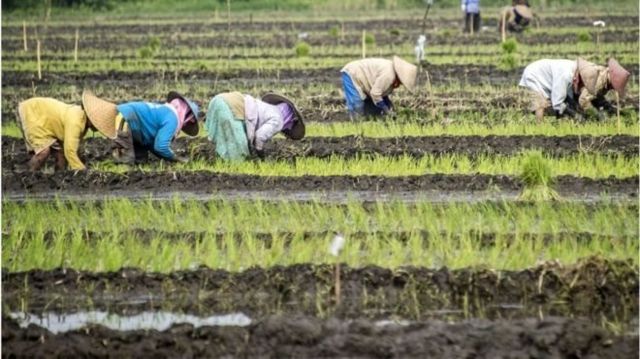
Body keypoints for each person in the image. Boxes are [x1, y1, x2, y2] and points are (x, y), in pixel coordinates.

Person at [82, 90, 200, 164]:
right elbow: (160, 146)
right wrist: (176, 158)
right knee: (126, 161)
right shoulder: (172, 119)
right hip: (127, 120)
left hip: (134, 127)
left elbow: (153, 145)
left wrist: (170, 159)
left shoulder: (165, 111)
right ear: (187, 116)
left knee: (141, 161)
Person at [518, 57, 630, 122]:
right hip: (535, 74)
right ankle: (539, 130)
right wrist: (576, 116)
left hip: (551, 76)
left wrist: (609, 110)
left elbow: (590, 96)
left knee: (571, 104)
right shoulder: (566, 76)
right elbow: (558, 102)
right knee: (541, 104)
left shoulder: (591, 71)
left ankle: (562, 122)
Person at [204, 92, 305, 161]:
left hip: (218, 100)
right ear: (292, 119)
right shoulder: (278, 120)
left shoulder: (269, 108)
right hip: (229, 107)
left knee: (225, 142)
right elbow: (259, 137)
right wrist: (260, 155)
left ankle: (219, 164)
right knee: (240, 154)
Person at [17, 97, 99, 171]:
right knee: (43, 152)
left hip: (47, 122)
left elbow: (73, 146)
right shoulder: (76, 122)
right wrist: (82, 170)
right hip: (34, 113)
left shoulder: (82, 120)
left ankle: (59, 180)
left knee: (61, 155)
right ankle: (25, 175)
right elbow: (70, 151)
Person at [340, 56, 417, 120]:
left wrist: (389, 106)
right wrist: (386, 109)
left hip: (365, 81)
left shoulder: (390, 73)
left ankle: (366, 123)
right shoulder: (389, 76)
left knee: (373, 111)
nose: (400, 85)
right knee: (357, 105)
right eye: (401, 82)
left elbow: (381, 93)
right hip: (353, 74)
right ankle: (356, 127)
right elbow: (375, 94)